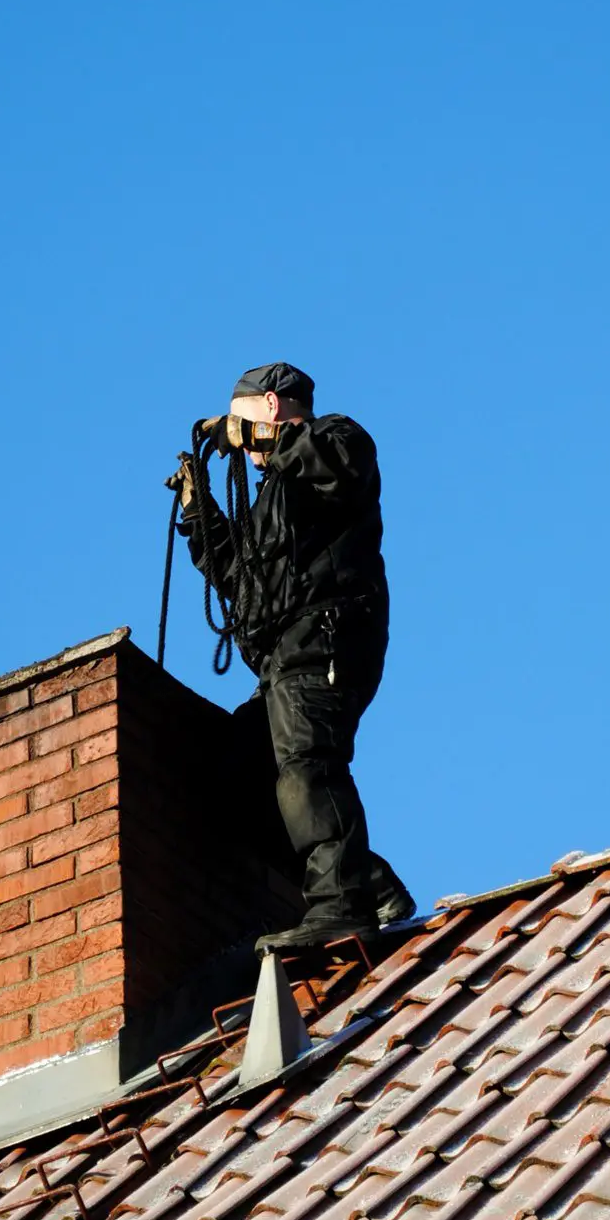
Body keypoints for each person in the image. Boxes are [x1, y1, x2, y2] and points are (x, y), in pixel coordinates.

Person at [171, 361, 414, 952]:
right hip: (281, 657)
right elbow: (243, 580)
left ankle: (340, 907)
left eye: (241, 422)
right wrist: (200, 511)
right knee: (239, 781)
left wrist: (248, 434)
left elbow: (327, 464)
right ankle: (370, 885)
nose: (239, 448)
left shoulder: (339, 438)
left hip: (325, 635)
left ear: (272, 407)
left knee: (307, 765)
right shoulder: (272, 498)